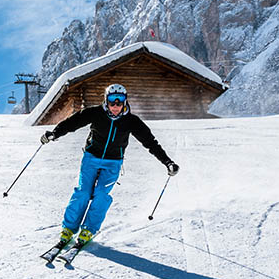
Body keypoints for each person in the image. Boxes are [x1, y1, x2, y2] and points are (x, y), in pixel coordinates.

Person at [39, 83, 179, 247]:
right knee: (83, 192)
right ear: (106, 100)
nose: (115, 106)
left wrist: (167, 162)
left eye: (120, 101)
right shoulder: (95, 113)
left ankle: (89, 229)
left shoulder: (131, 121)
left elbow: (150, 142)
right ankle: (69, 229)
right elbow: (72, 123)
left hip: (113, 163)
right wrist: (54, 134)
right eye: (112, 101)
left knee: (101, 195)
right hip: (91, 158)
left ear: (125, 102)